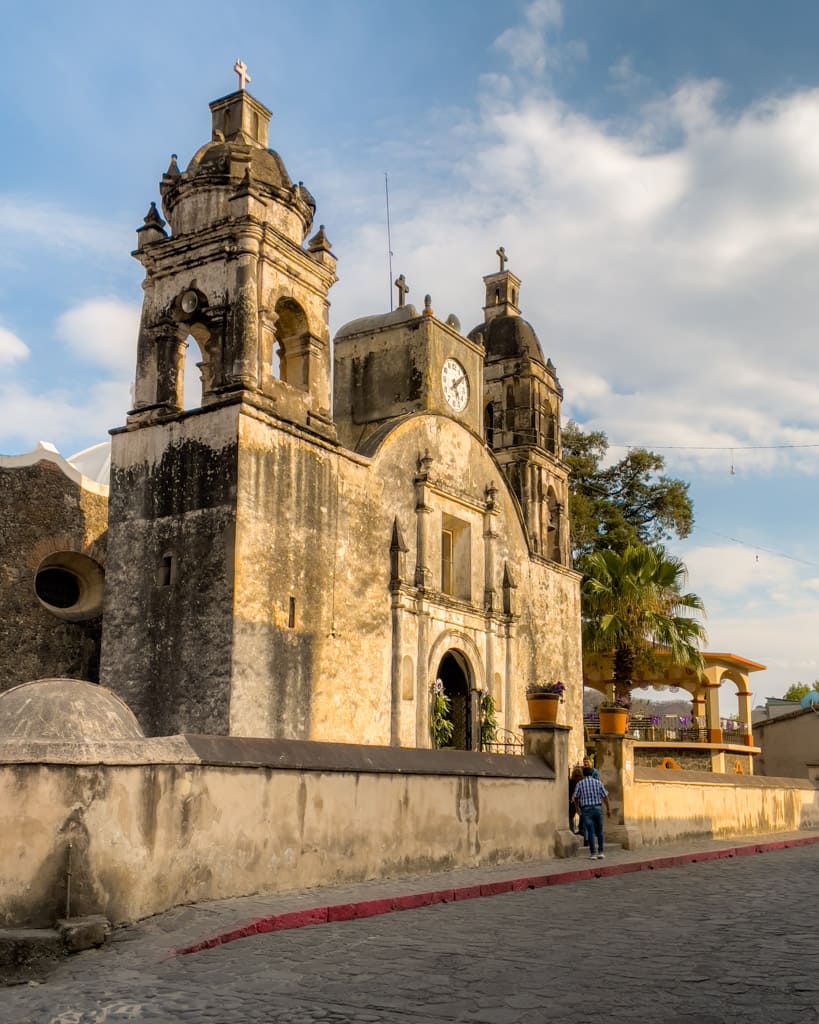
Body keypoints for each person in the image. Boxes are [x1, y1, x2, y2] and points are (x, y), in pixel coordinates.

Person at [573, 765, 611, 859]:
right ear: (592, 773)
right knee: (599, 831)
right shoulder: (598, 783)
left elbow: (575, 797)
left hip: (586, 809)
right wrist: (608, 809)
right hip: (597, 808)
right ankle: (601, 852)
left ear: (584, 774)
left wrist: (577, 808)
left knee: (590, 831)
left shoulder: (580, 784)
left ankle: (593, 853)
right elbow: (605, 797)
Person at [568, 764, 584, 833]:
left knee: (571, 816)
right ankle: (580, 830)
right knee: (581, 816)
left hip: (573, 801)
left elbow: (569, 792)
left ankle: (573, 830)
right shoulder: (582, 782)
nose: (577, 777)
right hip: (578, 801)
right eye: (576, 776)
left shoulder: (571, 782)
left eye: (579, 776)